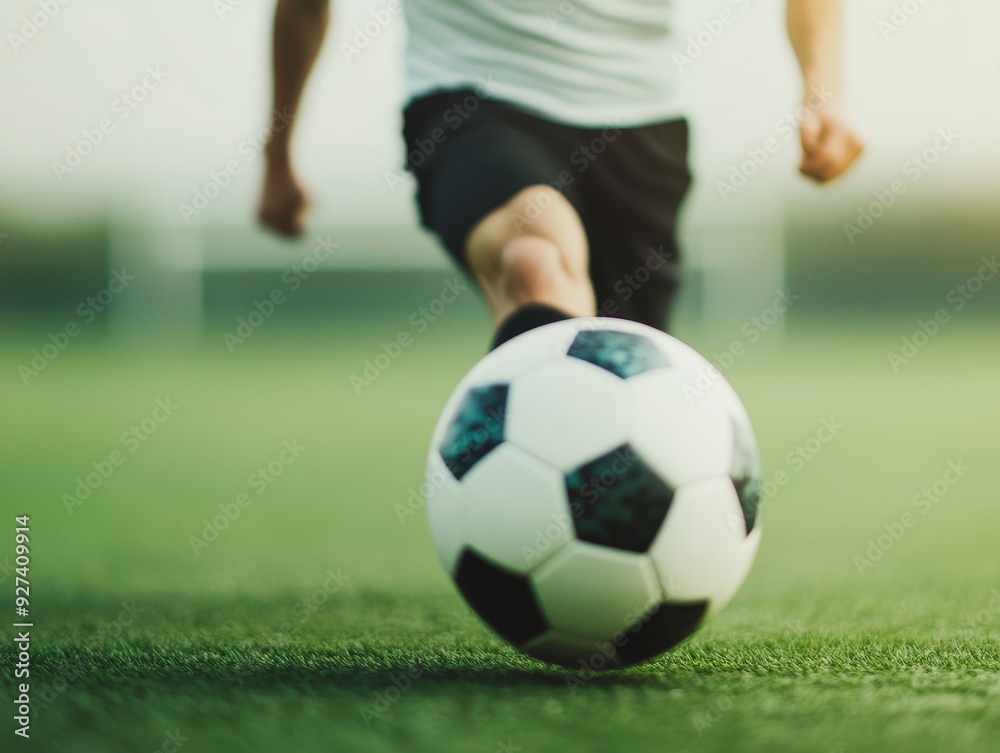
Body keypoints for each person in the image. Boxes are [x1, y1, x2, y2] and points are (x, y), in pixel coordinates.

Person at [257, 0, 863, 347]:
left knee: (627, 364)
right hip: (473, 102)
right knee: (534, 257)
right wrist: (278, 154)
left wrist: (823, 92)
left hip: (640, 125)